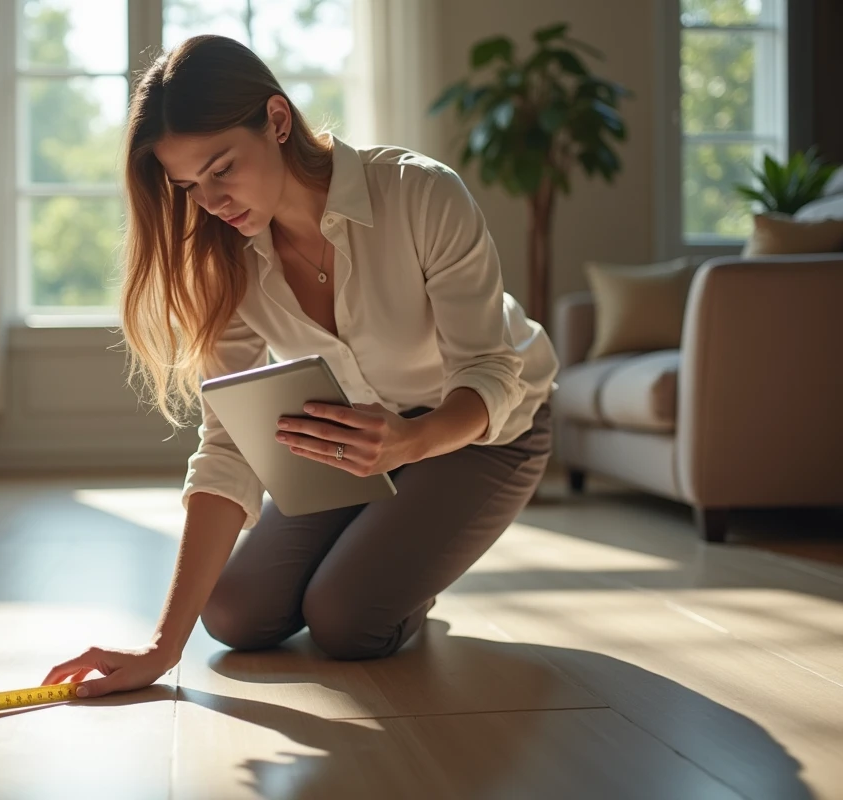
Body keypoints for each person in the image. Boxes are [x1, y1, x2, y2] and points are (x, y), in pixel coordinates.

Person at [43, 35, 558, 699]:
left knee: (345, 621)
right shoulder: (223, 261)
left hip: (488, 426)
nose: (212, 201)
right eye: (190, 186)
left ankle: (401, 578)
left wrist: (409, 441)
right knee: (232, 613)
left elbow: (491, 370)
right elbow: (226, 443)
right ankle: (387, 545)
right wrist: (161, 648)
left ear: (278, 121)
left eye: (222, 168)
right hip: (361, 437)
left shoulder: (419, 193)